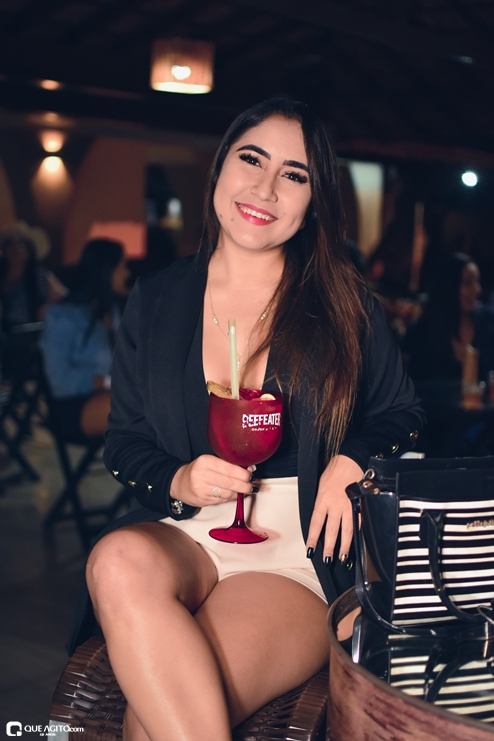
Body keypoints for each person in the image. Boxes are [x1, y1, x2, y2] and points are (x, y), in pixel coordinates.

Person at [70, 97, 425, 741]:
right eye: (251, 159)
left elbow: (405, 415)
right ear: (220, 168)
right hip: (189, 529)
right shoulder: (158, 297)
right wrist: (178, 479)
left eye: (295, 174)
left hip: (294, 552)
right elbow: (124, 441)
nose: (265, 188)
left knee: (149, 724)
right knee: (115, 558)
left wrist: (353, 461)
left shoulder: (343, 303)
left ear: (314, 200)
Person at [40, 239, 130, 438]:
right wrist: (103, 382)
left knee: (155, 399)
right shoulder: (63, 317)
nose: (126, 273)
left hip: (110, 395)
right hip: (72, 405)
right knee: (136, 404)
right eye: (122, 266)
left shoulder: (115, 312)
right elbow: (58, 380)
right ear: (107, 271)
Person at [403, 252, 494, 385]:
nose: (477, 289)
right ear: (449, 287)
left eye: (477, 282)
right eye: (468, 283)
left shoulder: (488, 322)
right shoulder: (424, 330)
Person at [0, 221, 66, 330]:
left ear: (30, 250)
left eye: (21, 245)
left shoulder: (40, 276)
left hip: (30, 333)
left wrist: (47, 311)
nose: (15, 248)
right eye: (10, 243)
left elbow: (64, 299)